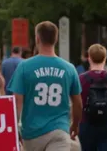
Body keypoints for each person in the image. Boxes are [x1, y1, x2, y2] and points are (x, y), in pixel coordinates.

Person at [7, 21, 82, 151]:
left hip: (32, 133)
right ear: (56, 39)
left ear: (37, 39)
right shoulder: (69, 69)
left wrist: (14, 128)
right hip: (59, 130)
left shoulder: (24, 67)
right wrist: (75, 124)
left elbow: (17, 103)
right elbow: (78, 102)